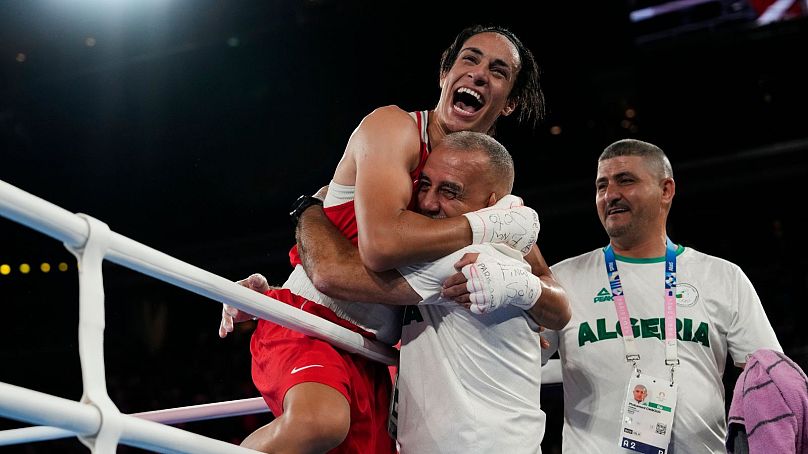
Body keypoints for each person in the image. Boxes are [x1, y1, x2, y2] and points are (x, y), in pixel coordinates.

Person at [220, 24, 570, 453]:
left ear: (510, 102)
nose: (479, 73)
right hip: (310, 322)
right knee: (317, 425)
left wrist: (521, 288)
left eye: (497, 71)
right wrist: (484, 227)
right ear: (445, 74)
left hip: (374, 354)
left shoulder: (486, 191)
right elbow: (379, 246)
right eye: (470, 59)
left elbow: (555, 302)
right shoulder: (394, 128)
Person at [297, 131, 564, 453]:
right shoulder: (484, 252)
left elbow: (331, 273)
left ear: (491, 205)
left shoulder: (465, 258)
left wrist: (308, 209)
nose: (427, 202)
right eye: (424, 185)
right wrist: (268, 296)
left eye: (450, 191)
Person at [537, 138, 782, 453]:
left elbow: (770, 381)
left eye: (625, 180)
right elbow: (520, 361)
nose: (610, 195)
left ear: (666, 190)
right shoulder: (562, 280)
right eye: (602, 186)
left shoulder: (722, 277)